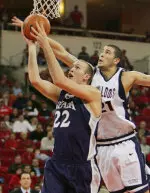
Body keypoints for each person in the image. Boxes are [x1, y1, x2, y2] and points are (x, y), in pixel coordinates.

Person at [12, 16, 150, 193]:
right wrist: (35, 36)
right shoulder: (88, 77)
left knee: (139, 189)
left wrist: (42, 42)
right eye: (102, 51)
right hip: (98, 146)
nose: (102, 54)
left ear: (117, 60)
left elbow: (59, 78)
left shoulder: (119, 79)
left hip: (121, 141)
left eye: (107, 52)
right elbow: (57, 56)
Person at [22, 22, 101, 193]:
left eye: (77, 68)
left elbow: (59, 79)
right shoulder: (62, 93)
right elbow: (35, 80)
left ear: (86, 76)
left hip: (81, 167)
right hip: (57, 163)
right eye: (72, 67)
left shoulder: (93, 93)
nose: (71, 69)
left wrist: (45, 43)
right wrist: (31, 47)